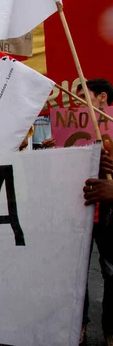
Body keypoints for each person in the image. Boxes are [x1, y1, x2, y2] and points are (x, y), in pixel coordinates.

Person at [79, 78, 113, 345]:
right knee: (76, 272)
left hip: (109, 217)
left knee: (111, 272)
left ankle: (110, 328)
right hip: (80, 212)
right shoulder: (73, 128)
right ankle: (79, 324)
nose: (78, 103)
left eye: (84, 97)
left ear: (102, 98)